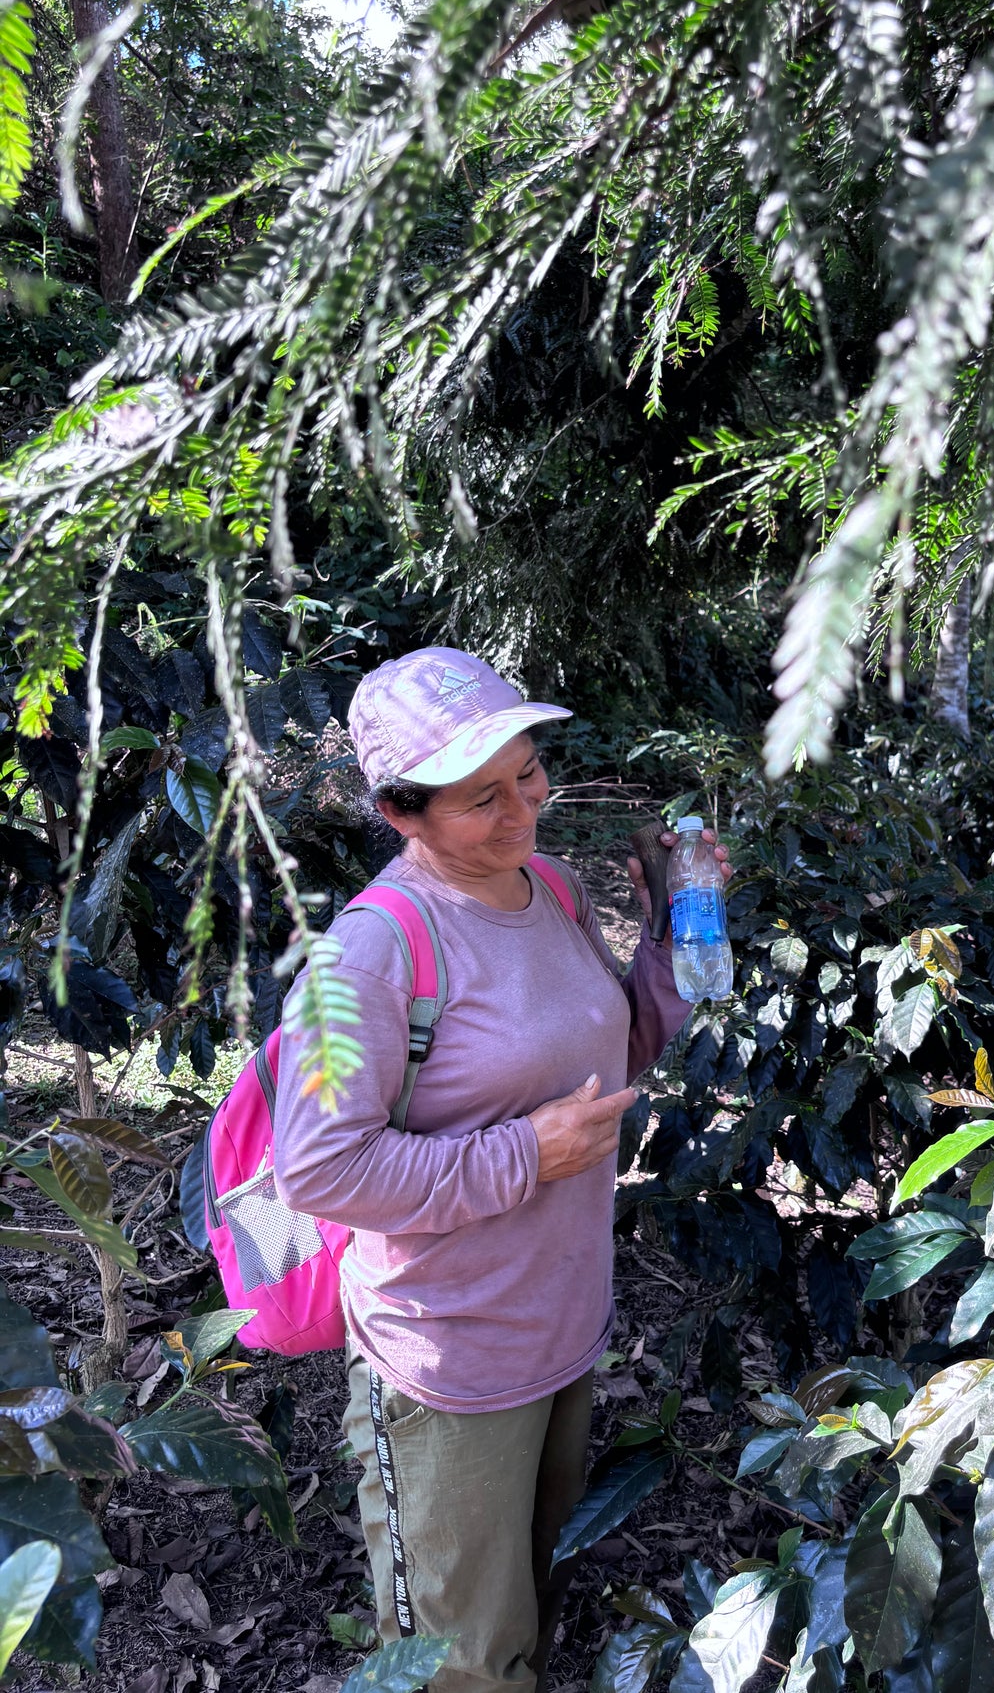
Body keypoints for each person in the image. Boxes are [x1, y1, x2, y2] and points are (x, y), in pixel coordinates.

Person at [271, 648, 729, 1693]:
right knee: (460, 1662)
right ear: (401, 812)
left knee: (528, 1595)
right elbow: (319, 1169)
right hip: (448, 1350)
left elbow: (609, 1055)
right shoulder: (371, 953)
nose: (522, 809)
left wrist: (672, 930)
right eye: (482, 798)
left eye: (527, 774)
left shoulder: (550, 887)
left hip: (557, 1321)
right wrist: (524, 1154)